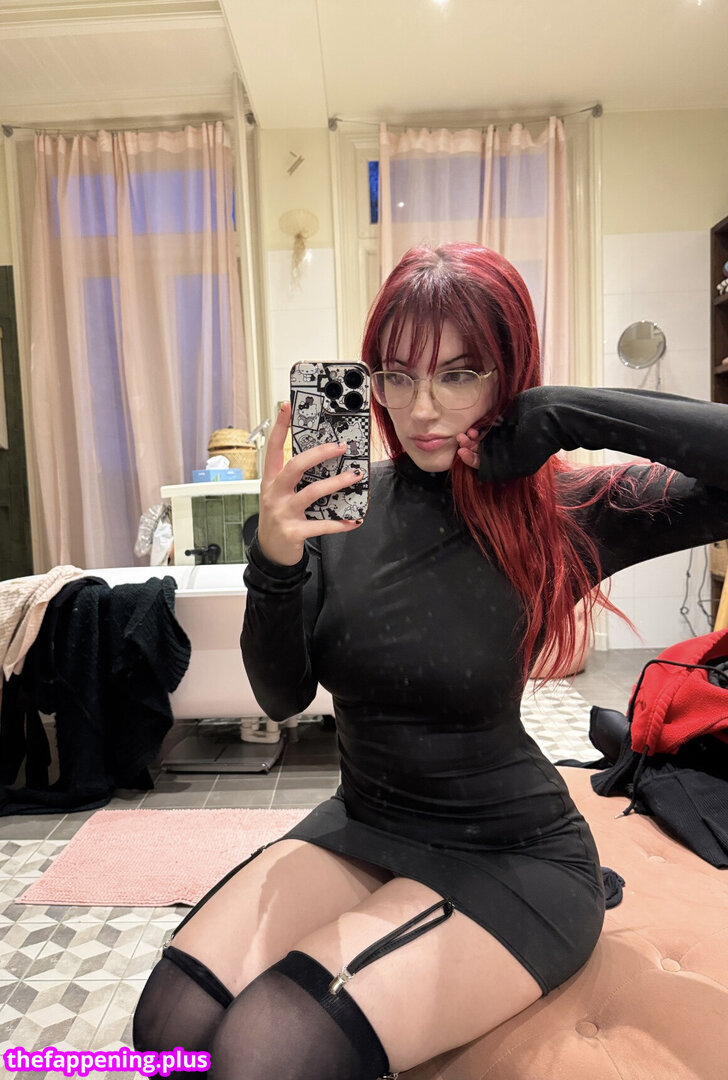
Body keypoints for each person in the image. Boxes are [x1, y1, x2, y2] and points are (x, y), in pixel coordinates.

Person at [132, 242, 728, 1079]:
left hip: (515, 854)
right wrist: (274, 555)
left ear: (506, 374)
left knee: (263, 1051)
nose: (422, 409)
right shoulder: (341, 507)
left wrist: (563, 413)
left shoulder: (564, 511)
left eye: (459, 374)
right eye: (397, 375)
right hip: (365, 821)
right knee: (168, 1029)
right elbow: (282, 693)